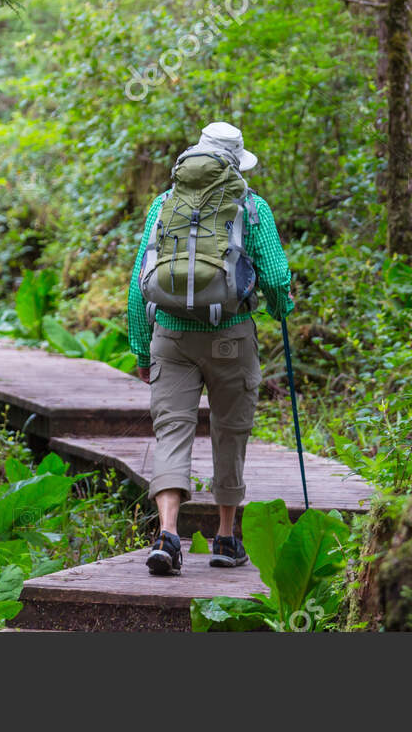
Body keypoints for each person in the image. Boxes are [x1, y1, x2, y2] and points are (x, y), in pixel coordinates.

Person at [126, 121, 293, 575]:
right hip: (230, 336)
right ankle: (224, 537)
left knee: (172, 431)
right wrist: (282, 307)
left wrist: (143, 352)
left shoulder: (164, 204)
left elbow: (139, 285)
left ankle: (166, 535)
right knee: (229, 431)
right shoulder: (252, 208)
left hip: (172, 338)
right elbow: (276, 277)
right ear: (236, 163)